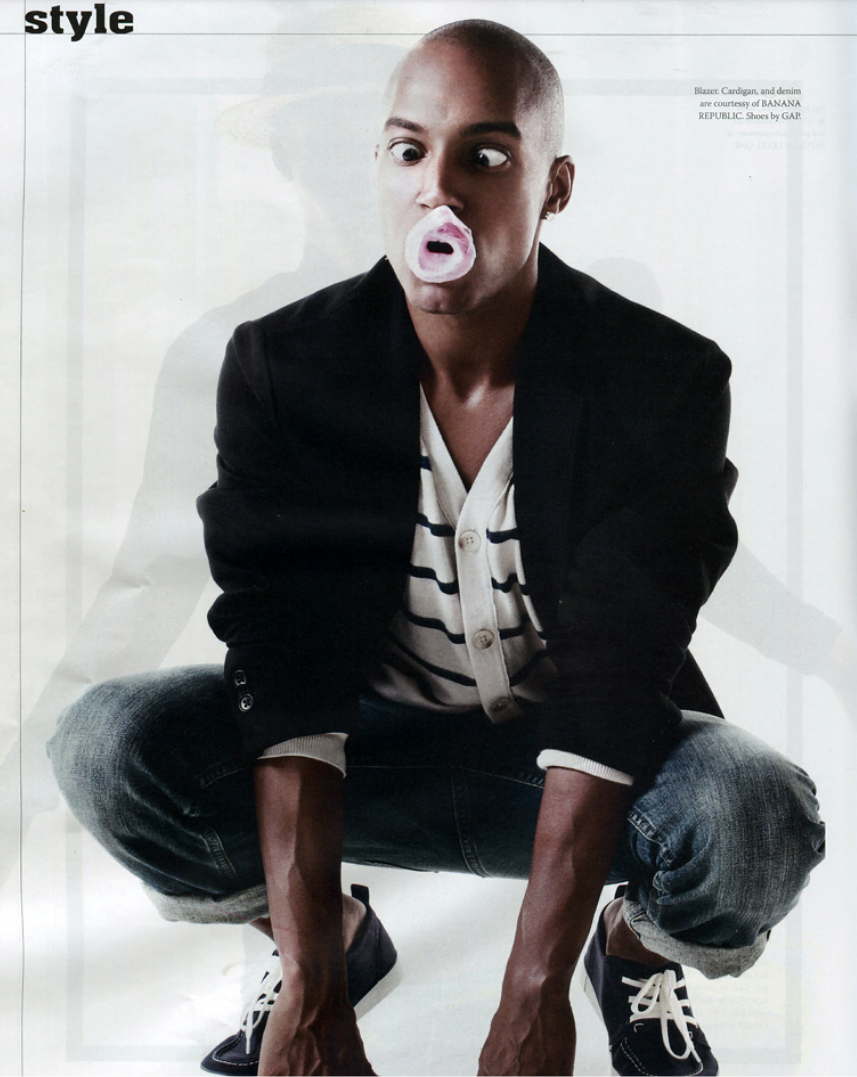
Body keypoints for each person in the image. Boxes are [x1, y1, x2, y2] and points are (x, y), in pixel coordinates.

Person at [49, 19, 825, 1077]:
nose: (438, 191)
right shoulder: (282, 366)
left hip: (577, 766)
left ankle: (630, 953)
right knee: (106, 743)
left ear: (553, 188)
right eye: (409, 150)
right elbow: (283, 670)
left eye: (486, 156)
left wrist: (530, 1000)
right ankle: (327, 936)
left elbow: (616, 679)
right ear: (376, 166)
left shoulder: (660, 377)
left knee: (753, 812)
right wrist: (314, 992)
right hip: (365, 753)